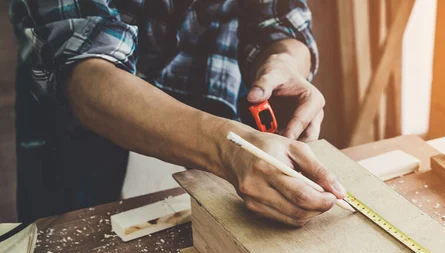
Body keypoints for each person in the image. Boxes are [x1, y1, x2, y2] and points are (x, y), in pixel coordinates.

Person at [9, 0, 346, 226]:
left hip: (213, 81)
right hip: (85, 104)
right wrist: (226, 148)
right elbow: (82, 70)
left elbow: (281, 20)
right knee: (68, 244)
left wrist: (285, 62)